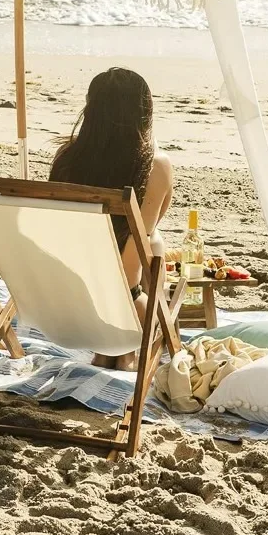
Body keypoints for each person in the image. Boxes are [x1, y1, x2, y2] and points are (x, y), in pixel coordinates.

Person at [49, 67, 174, 370]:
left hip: (62, 299)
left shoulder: (66, 157)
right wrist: (129, 303)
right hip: (119, 308)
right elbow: (136, 244)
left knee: (150, 240)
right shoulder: (153, 166)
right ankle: (122, 351)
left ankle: (108, 351)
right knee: (150, 239)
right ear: (143, 113)